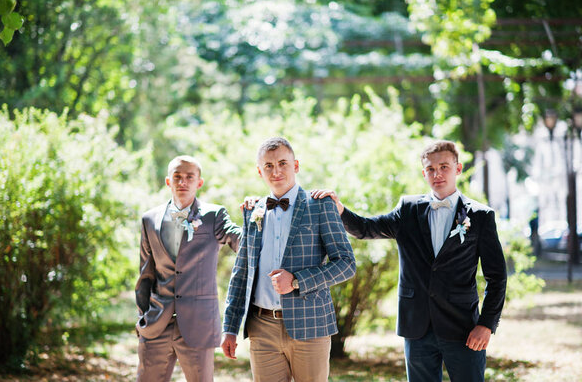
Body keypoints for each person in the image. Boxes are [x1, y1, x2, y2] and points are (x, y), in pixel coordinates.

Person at [311, 140, 507, 382]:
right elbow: (366, 228)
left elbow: (496, 277)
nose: (437, 174)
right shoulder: (408, 209)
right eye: (431, 169)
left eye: (444, 167)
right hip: (417, 327)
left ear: (458, 168)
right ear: (423, 172)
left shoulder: (480, 216)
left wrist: (486, 324)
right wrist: (339, 209)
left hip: (463, 327)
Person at [221, 137, 356, 382]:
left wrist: (296, 281)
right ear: (259, 171)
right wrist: (229, 327)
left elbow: (346, 264)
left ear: (296, 165)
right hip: (261, 327)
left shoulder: (320, 205)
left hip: (310, 325)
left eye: (283, 163)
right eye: (269, 166)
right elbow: (241, 272)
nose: (276, 171)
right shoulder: (253, 210)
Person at [135, 155, 242, 382]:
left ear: (199, 182)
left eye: (189, 177)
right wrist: (142, 320)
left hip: (198, 323)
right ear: (168, 182)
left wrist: (258, 218)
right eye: (177, 177)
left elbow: (239, 240)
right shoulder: (149, 219)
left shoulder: (214, 215)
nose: (183, 182)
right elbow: (145, 275)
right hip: (155, 324)